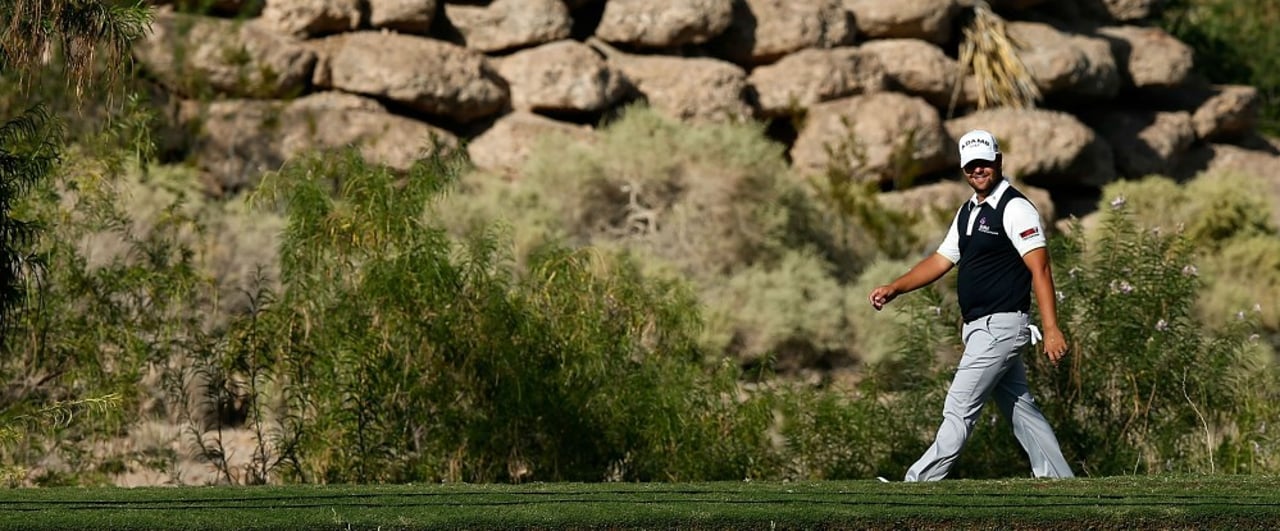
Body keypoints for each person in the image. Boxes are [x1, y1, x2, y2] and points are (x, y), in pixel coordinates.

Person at [868, 129, 1074, 481]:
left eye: (984, 163)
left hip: (1002, 327)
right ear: (964, 169)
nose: (978, 170)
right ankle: (1060, 481)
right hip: (980, 328)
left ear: (998, 161)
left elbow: (1040, 267)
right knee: (1021, 410)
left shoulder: (1015, 208)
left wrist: (1052, 328)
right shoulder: (967, 211)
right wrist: (896, 288)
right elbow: (940, 260)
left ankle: (918, 483)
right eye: (971, 165)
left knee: (959, 405)